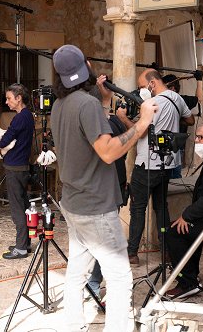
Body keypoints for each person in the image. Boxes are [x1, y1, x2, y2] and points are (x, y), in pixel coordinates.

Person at [50, 44, 158, 332]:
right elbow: (108, 152)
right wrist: (143, 123)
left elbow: (85, 135)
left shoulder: (62, 105)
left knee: (77, 272)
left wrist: (104, 102)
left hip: (74, 203)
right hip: (96, 207)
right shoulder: (86, 105)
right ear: (87, 65)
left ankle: (73, 325)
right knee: (120, 277)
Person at [120, 68, 194, 265]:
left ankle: (132, 252)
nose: (141, 90)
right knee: (162, 208)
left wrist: (123, 118)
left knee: (137, 208)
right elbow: (191, 119)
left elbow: (141, 133)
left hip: (146, 164)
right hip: (166, 164)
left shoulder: (151, 103)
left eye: (142, 87)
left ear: (152, 84)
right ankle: (166, 250)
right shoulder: (176, 98)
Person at [165, 120, 203, 300]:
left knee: (173, 232)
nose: (197, 140)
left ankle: (187, 283)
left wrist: (187, 215)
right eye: (196, 136)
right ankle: (189, 277)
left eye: (201, 137)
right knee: (175, 229)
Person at [86, 76, 129, 303]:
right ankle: (95, 282)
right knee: (103, 240)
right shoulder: (104, 123)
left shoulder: (110, 124)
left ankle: (97, 282)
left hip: (111, 188)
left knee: (107, 241)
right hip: (105, 188)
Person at [0, 83, 35, 259]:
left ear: (19, 98)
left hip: (15, 166)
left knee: (17, 207)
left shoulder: (20, 118)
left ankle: (20, 247)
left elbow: (5, 140)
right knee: (23, 204)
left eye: (9, 98)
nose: (7, 102)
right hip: (22, 165)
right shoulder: (28, 116)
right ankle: (24, 242)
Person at [162, 71, 203, 178]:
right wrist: (199, 80)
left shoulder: (181, 100)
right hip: (163, 144)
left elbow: (198, 99)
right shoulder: (163, 100)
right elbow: (199, 98)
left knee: (173, 176)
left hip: (175, 145)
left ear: (172, 88)